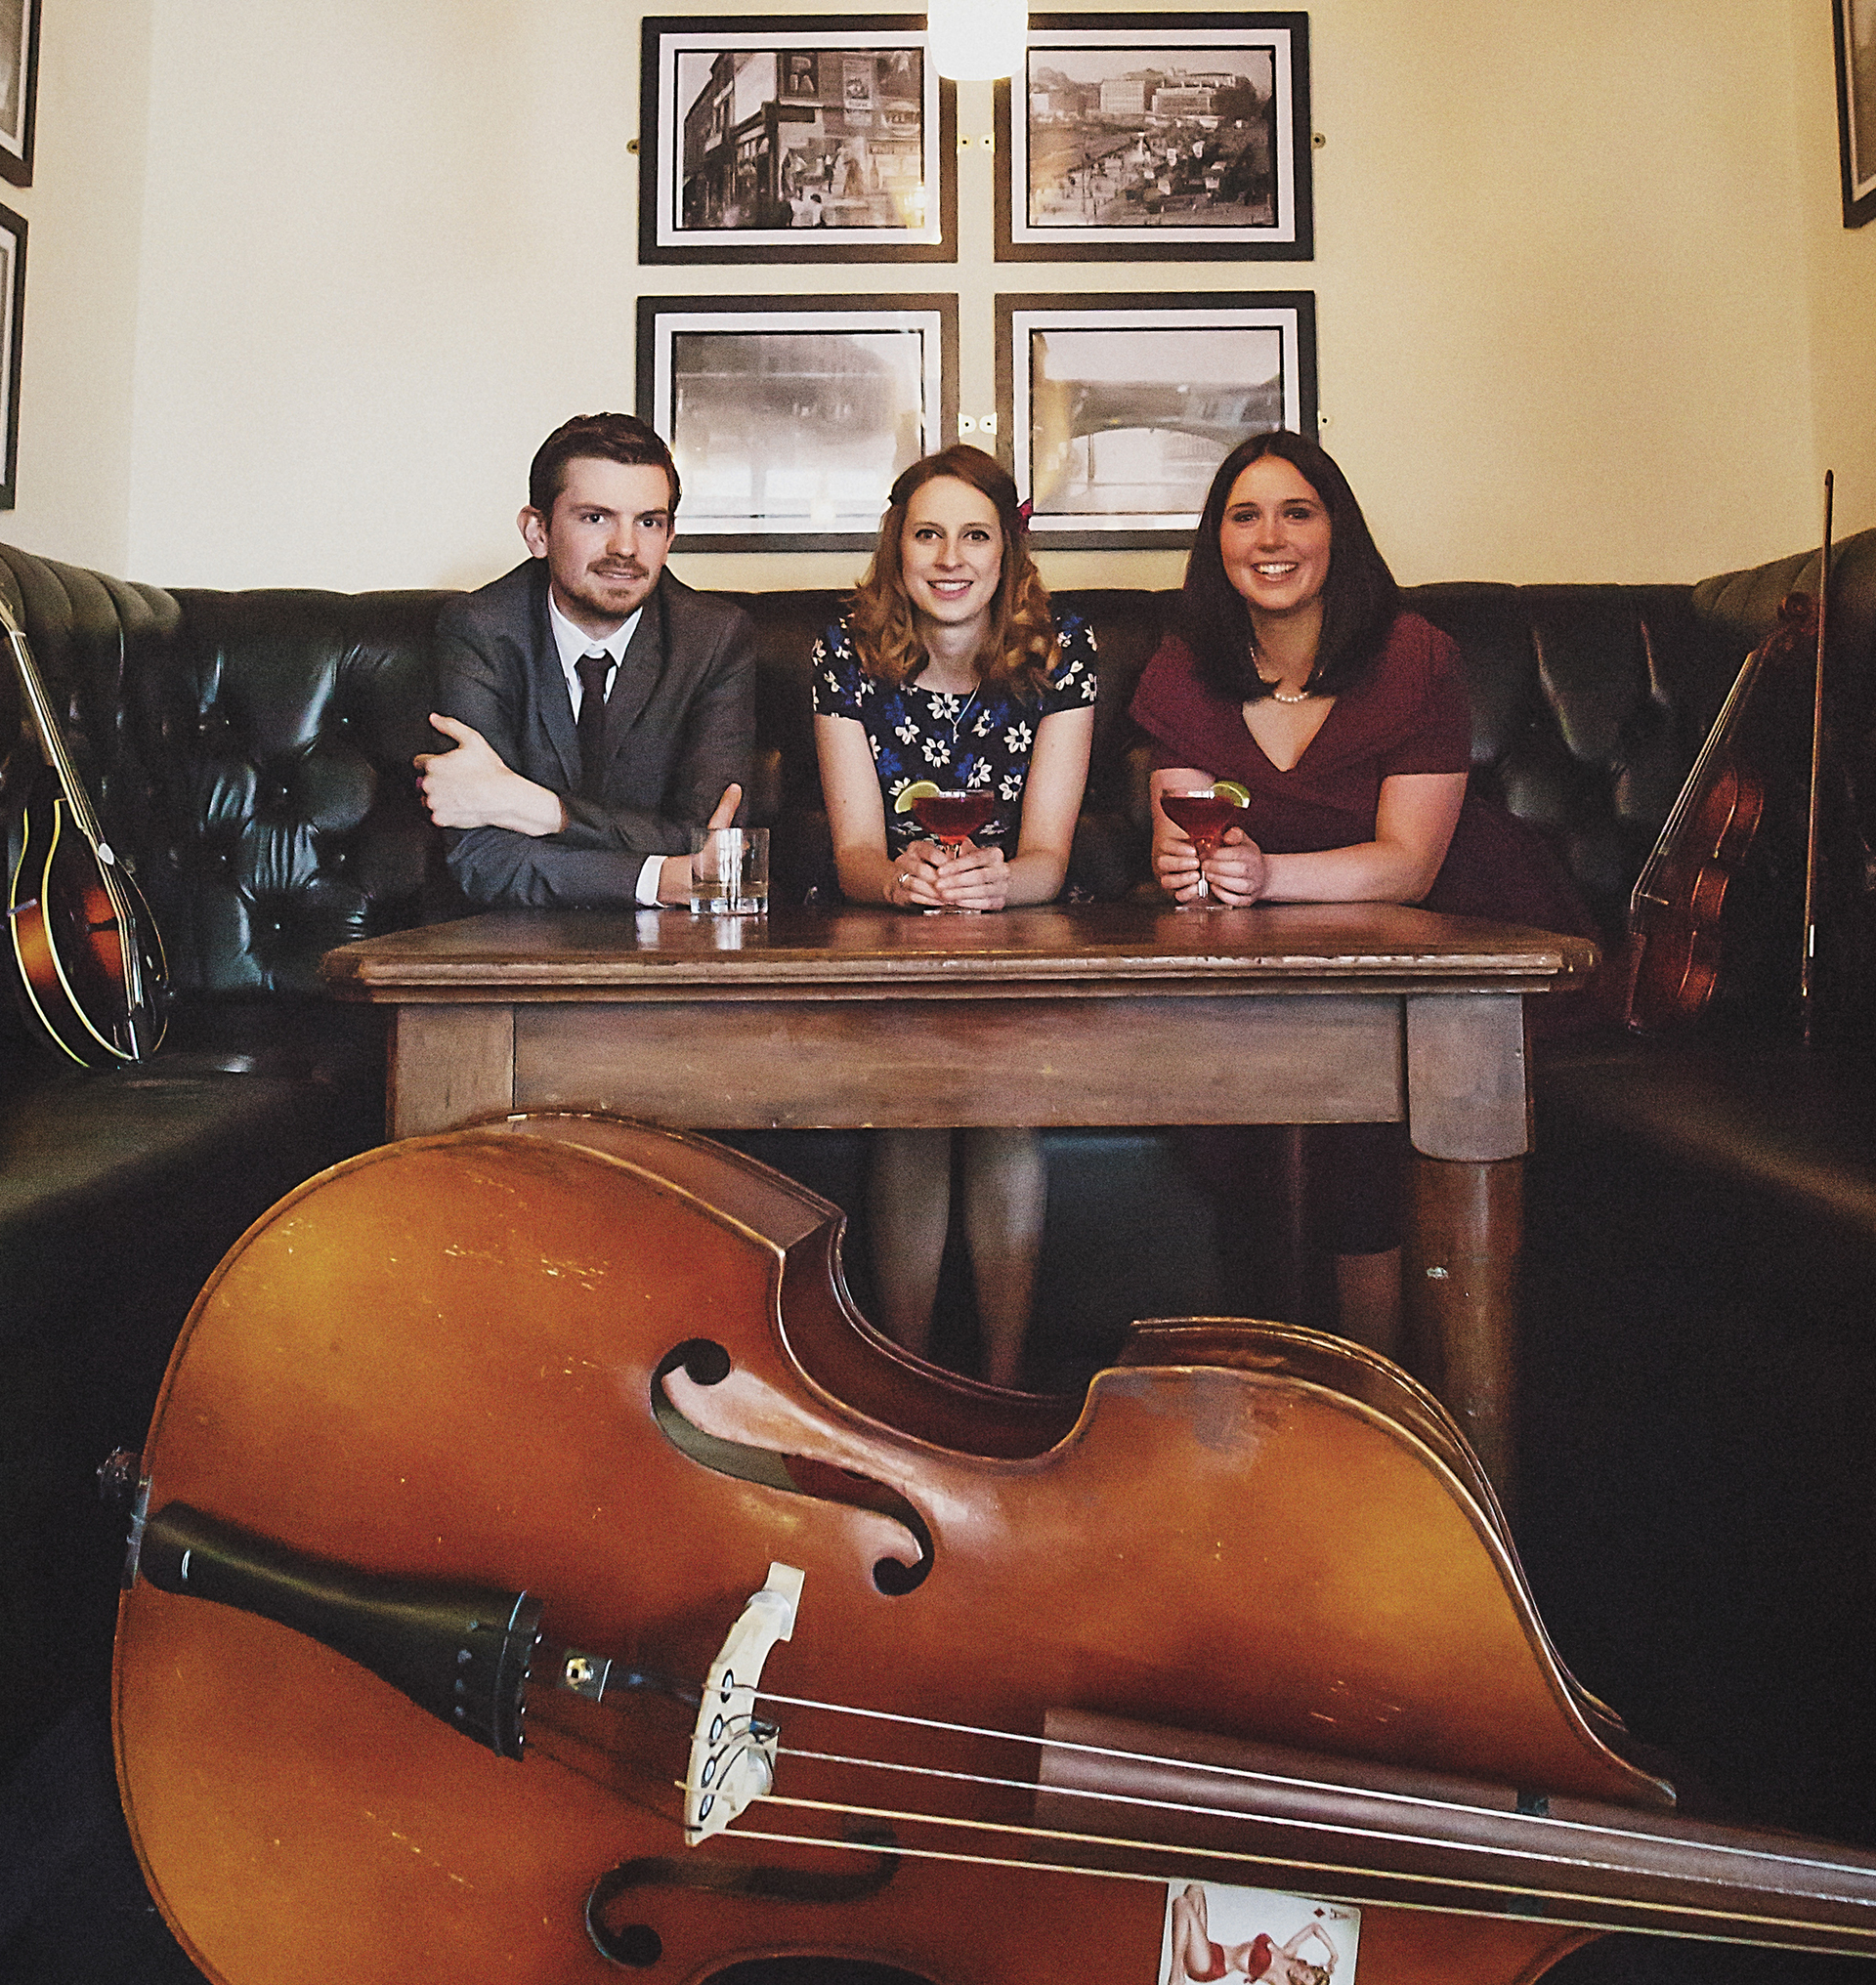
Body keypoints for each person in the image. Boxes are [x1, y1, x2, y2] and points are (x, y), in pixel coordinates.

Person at [1130, 429, 1595, 1356]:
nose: (1271, 539)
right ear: (1216, 542)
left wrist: (1265, 877)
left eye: (1297, 513)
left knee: (1365, 1107)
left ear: (1336, 530)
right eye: (1245, 516)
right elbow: (1181, 833)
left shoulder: (1415, 657)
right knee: (1237, 1080)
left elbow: (1409, 864)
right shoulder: (1184, 668)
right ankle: (1276, 1374)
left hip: (1442, 926)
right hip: (1273, 954)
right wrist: (1187, 869)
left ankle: (1377, 1386)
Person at [812, 444, 1097, 1387]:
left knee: (1003, 1098)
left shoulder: (1063, 649)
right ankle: (910, 1380)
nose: (949, 558)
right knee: (914, 1101)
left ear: (1007, 549)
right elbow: (856, 853)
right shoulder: (844, 650)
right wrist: (901, 882)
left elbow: (1049, 858)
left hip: (1016, 933)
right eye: (927, 534)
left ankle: (1002, 1385)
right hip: (890, 937)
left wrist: (995, 883)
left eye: (974, 535)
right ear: (896, 546)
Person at [416, 412, 754, 908]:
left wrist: (539, 809)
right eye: (596, 518)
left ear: (670, 537)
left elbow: (709, 840)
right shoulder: (480, 629)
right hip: (507, 941)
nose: (626, 548)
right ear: (538, 532)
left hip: (672, 946)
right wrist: (659, 878)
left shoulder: (714, 639)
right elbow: (482, 856)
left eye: (649, 522)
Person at [1169, 1884, 1338, 1984]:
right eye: (1306, 1975)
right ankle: (1181, 1962)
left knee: (1182, 1904)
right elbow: (1314, 1927)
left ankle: (1176, 1974)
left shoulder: (1282, 1982)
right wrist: (1334, 1955)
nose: (1299, 1978)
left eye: (1301, 1984)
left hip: (1208, 1966)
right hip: (1212, 1949)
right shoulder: (1288, 1952)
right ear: (1309, 1967)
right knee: (1194, 1889)